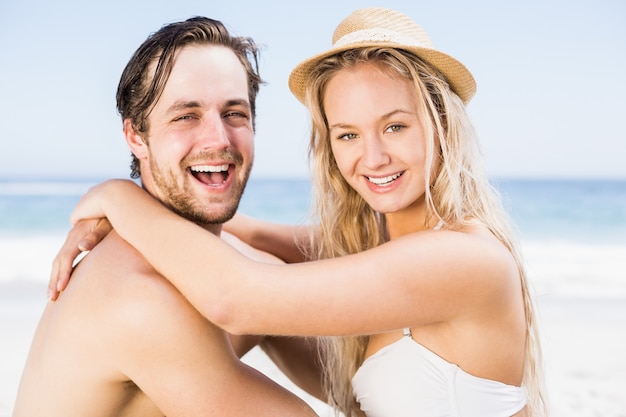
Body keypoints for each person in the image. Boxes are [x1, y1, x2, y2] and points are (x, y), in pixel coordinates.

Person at [49, 7, 548, 417]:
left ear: (441, 122)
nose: (372, 158)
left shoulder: (463, 260)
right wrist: (139, 212)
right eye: (347, 134)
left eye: (395, 127)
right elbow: (251, 237)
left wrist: (118, 196)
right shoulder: (382, 248)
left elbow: (237, 297)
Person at [13, 16, 320, 417]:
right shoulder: (137, 296)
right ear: (136, 137)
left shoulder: (236, 264)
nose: (218, 139)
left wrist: (120, 200)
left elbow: (354, 384)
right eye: (185, 116)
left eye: (234, 113)